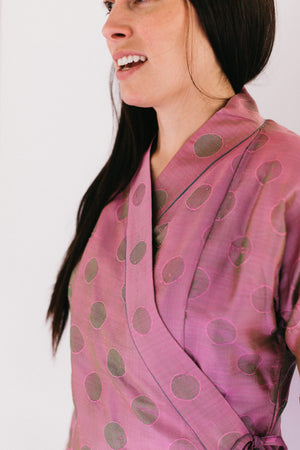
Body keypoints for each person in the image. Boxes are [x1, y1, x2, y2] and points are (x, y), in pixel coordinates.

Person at [47, 0, 300, 448]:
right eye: (108, 6)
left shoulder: (287, 177)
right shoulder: (117, 193)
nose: (110, 26)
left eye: (139, 0)